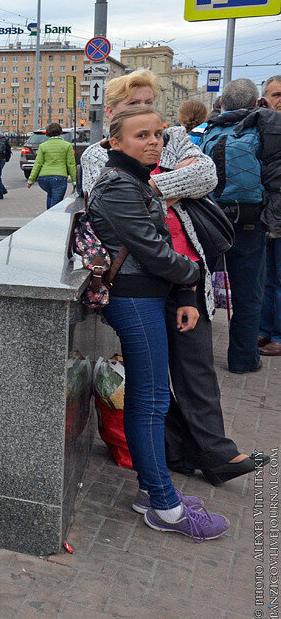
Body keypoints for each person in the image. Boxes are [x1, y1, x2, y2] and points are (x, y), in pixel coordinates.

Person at [82, 70, 261, 486]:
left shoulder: (174, 137)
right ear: (112, 113)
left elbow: (206, 176)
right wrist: (161, 186)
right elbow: (106, 196)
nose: (147, 116)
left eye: (151, 104)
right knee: (151, 383)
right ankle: (171, 461)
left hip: (185, 266)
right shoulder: (97, 153)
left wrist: (149, 186)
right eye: (134, 105)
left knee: (195, 365)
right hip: (142, 278)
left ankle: (217, 453)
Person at [87, 106, 228, 541]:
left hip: (150, 296)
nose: (153, 142)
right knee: (150, 402)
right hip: (134, 301)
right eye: (141, 135)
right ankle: (165, 507)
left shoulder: (139, 180)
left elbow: (163, 239)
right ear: (115, 142)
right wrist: (195, 275)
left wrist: (185, 293)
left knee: (149, 400)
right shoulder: (116, 185)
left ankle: (153, 491)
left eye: (158, 135)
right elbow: (153, 250)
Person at [204, 78, 278, 373]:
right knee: (248, 293)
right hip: (249, 222)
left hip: (211, 219)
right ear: (257, 103)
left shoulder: (209, 130)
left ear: (221, 103)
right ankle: (243, 359)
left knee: (200, 287)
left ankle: (196, 356)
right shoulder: (263, 130)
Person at [258, 75, 281, 356]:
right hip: (266, 215)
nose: (280, 100)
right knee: (265, 279)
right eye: (276, 95)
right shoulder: (260, 127)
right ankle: (264, 330)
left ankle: (278, 335)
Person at [27, 122, 77, 209]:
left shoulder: (43, 146)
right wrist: (75, 181)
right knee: (56, 205)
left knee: (50, 195)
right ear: (60, 132)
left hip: (44, 179)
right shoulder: (67, 146)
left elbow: (38, 164)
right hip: (59, 177)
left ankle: (48, 214)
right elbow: (71, 164)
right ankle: (52, 216)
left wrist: (31, 180)